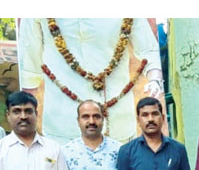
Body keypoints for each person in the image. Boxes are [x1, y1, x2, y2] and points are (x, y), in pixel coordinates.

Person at [18, 18, 163, 144]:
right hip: (62, 125)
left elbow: (148, 49)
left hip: (117, 124)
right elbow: (29, 66)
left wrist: (155, 79)